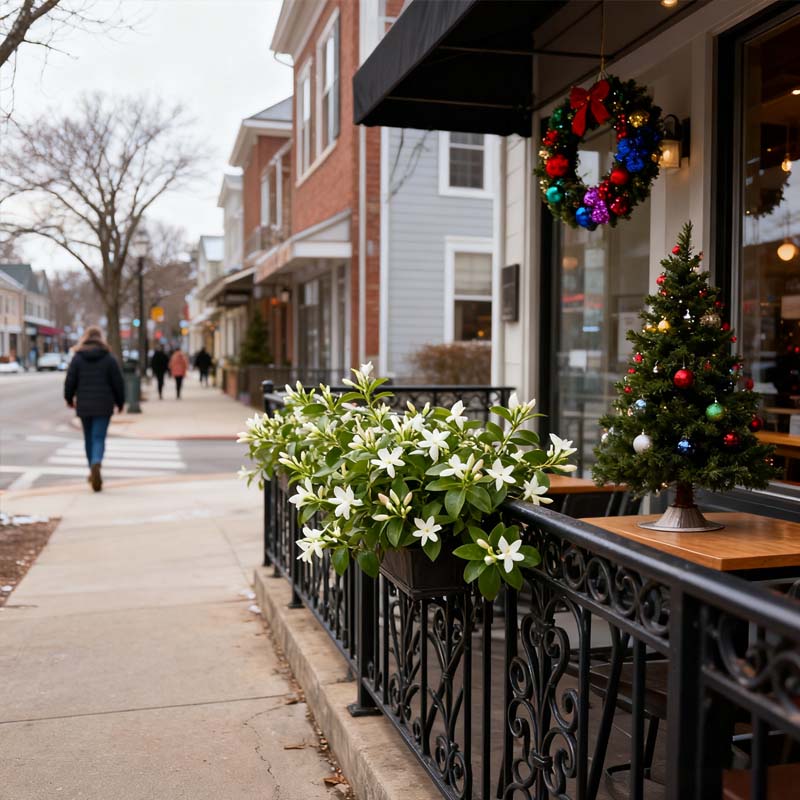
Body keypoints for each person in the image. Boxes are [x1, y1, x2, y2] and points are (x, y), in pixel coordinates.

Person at [63, 326, 125, 492]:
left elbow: (70, 381)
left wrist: (69, 399)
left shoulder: (78, 358)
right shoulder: (108, 358)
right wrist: (120, 402)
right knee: (99, 437)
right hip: (104, 405)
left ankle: (92, 465)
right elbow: (117, 382)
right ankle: (96, 461)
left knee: (88, 438)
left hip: (84, 404)